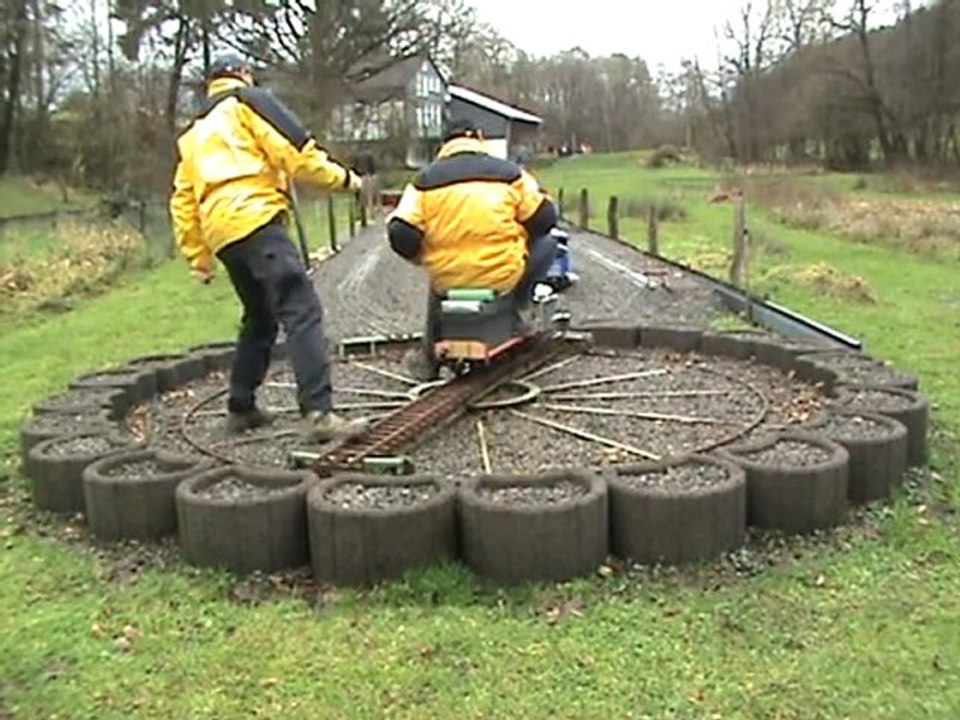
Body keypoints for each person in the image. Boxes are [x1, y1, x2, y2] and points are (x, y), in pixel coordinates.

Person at [169, 53, 369, 442]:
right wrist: (348, 181)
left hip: (222, 233)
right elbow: (298, 153)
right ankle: (318, 413)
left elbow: (182, 198)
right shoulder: (249, 102)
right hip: (257, 219)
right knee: (301, 309)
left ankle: (241, 407)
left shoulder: (193, 133)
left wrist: (198, 256)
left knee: (260, 317)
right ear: (244, 74)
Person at [385, 119, 559, 379]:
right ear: (478, 137)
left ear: (444, 144)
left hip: (448, 279)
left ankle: (429, 350)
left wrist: (422, 257)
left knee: (438, 277)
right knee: (549, 243)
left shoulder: (422, 182)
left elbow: (401, 232)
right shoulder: (510, 174)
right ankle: (518, 310)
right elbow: (545, 218)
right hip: (502, 274)